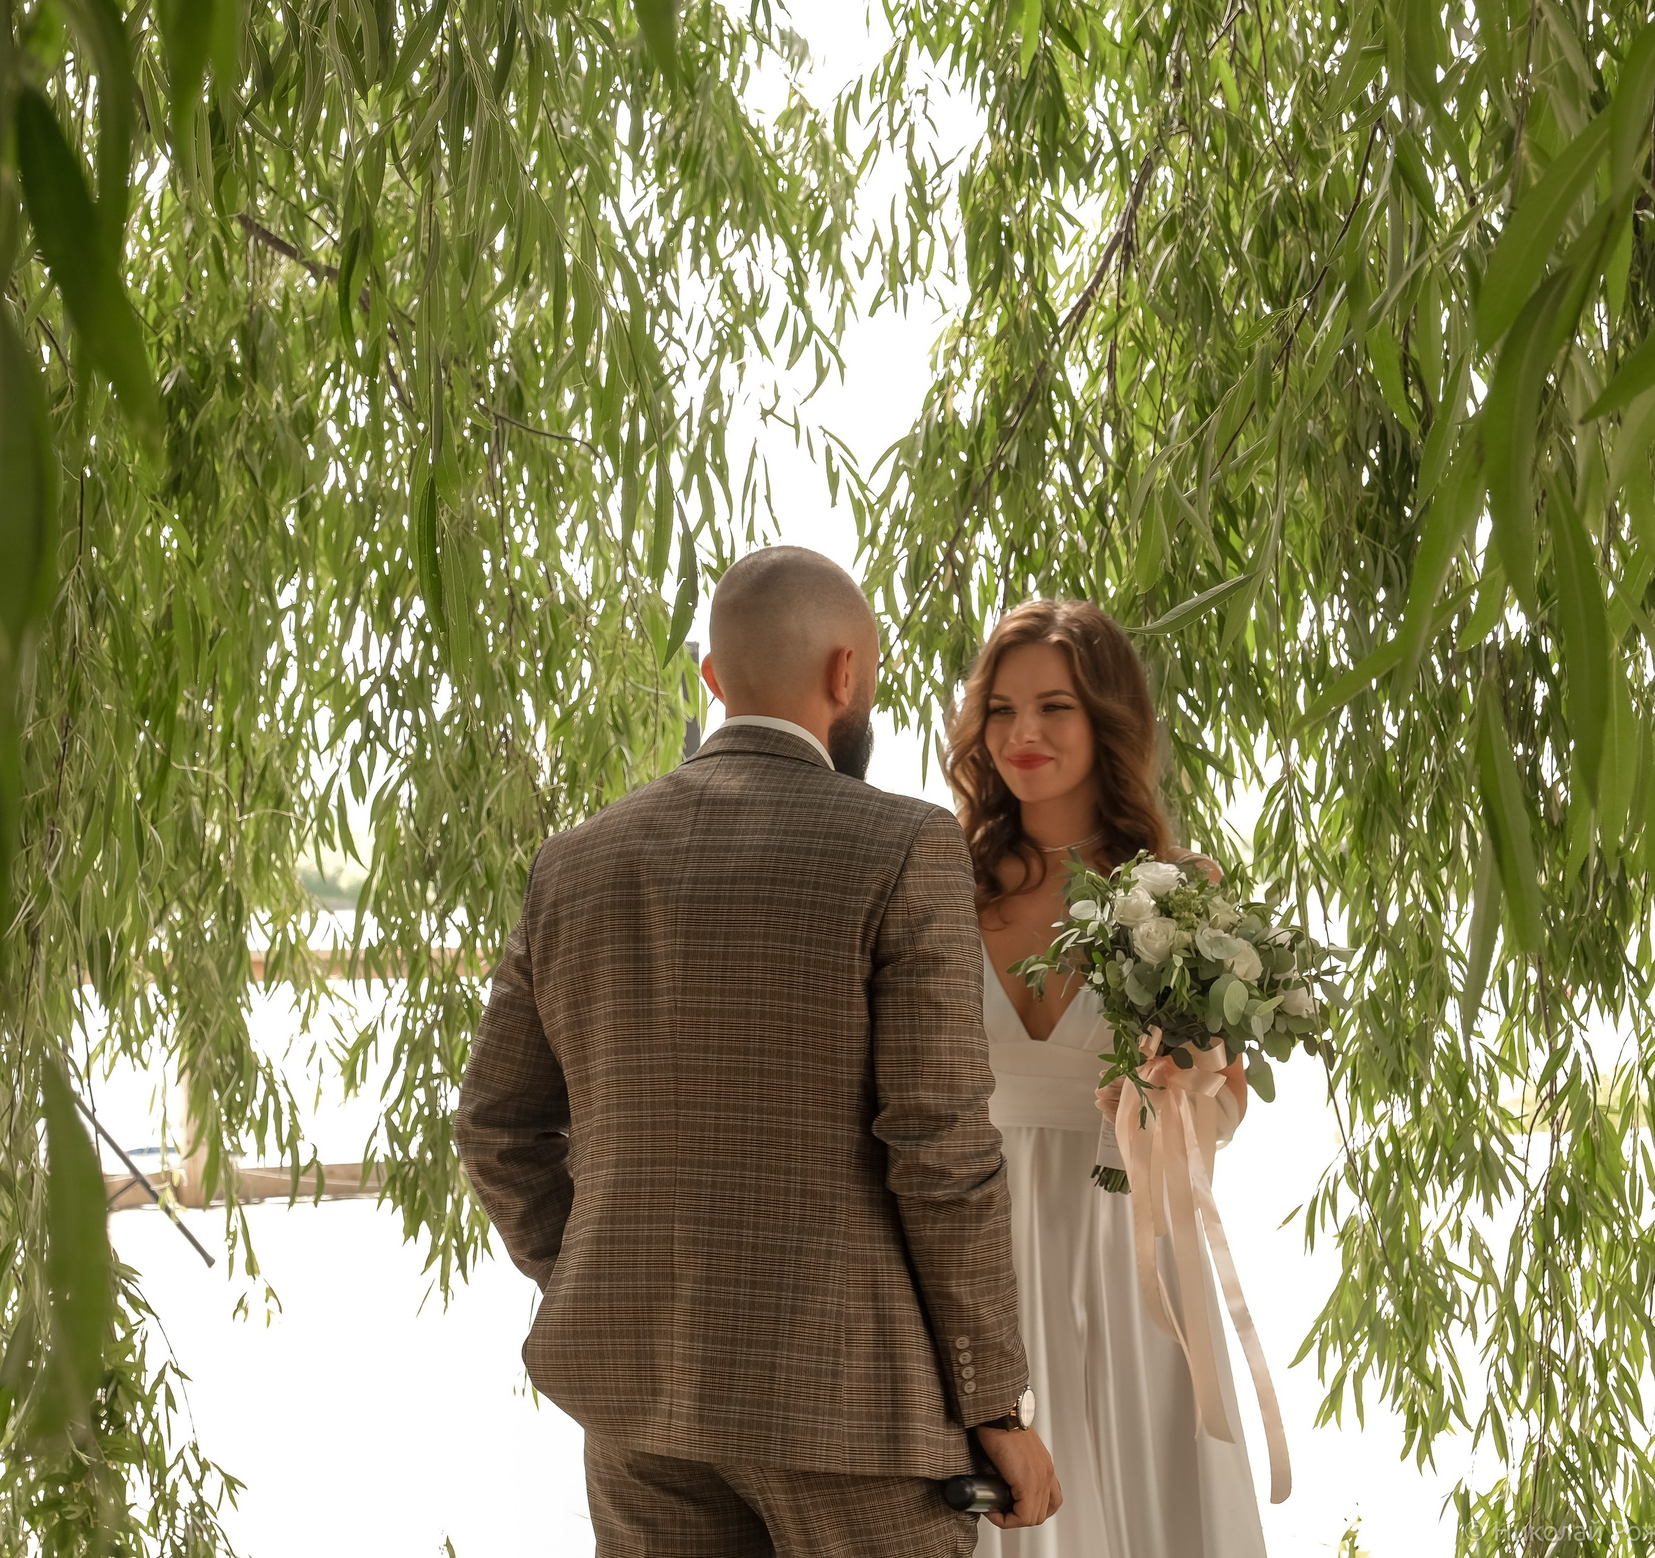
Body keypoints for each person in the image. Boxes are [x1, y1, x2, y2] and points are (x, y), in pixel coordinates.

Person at [456, 545, 1063, 1556]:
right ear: (845, 677)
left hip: (643, 1406)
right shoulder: (902, 846)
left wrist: (591, 1271)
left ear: (710, 680)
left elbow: (494, 1127)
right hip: (855, 1411)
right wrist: (995, 1404)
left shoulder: (574, 861)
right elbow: (938, 1146)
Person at [948, 600, 1267, 1558]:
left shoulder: (1183, 885)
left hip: (1129, 1235)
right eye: (1000, 711)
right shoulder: (942, 881)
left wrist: (1183, 1084)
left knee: (1146, 1497)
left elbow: (1227, 1104)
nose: (1024, 734)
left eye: (1055, 707)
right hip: (979, 1233)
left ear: (1107, 719)